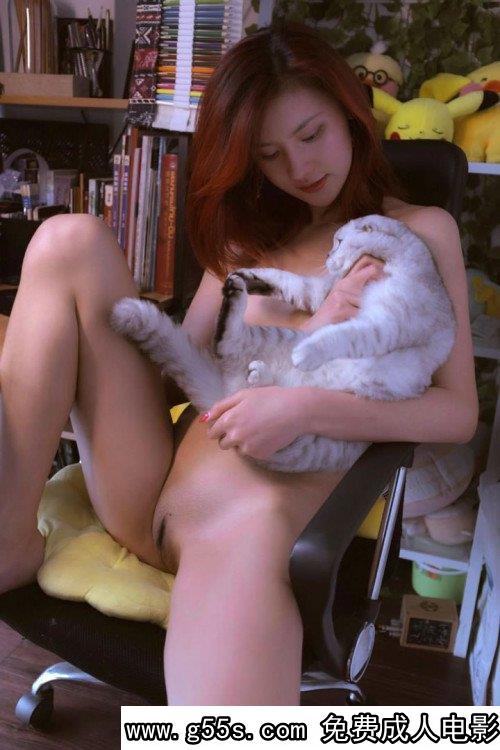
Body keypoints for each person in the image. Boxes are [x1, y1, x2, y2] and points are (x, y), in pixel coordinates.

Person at [0, 22, 478, 706]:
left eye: (311, 135)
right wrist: (69, 359)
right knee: (65, 238)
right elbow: (179, 364)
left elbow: (457, 411)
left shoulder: (420, 231)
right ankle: (8, 538)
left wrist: (301, 406)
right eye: (270, 155)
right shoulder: (250, 236)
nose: (299, 168)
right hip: (150, 483)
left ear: (349, 112)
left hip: (242, 527)